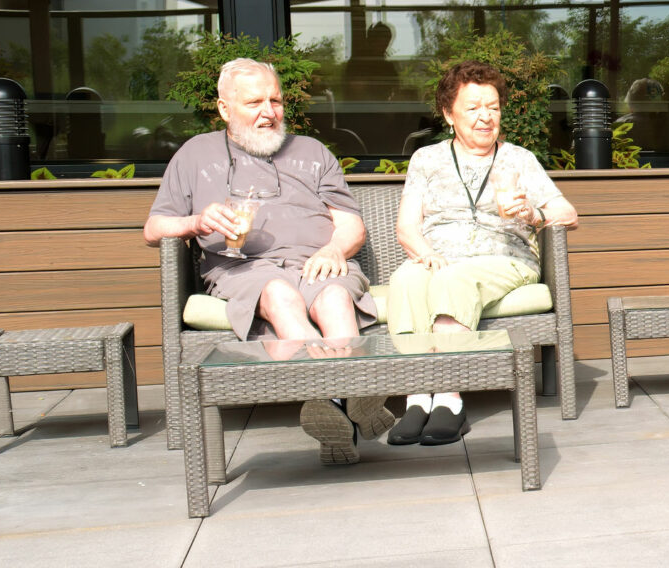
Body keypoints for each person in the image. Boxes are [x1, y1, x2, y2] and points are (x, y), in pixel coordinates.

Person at [143, 57, 391, 458]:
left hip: (318, 261)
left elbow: (352, 226)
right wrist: (196, 222)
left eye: (275, 101)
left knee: (333, 297)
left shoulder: (312, 152)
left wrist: (333, 249)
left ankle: (333, 414)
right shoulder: (194, 155)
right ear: (224, 109)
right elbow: (153, 230)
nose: (269, 113)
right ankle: (351, 398)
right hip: (243, 268)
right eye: (254, 102)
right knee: (278, 293)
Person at [379, 61, 579, 446]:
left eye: (493, 107)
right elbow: (406, 227)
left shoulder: (518, 159)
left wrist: (532, 213)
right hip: (438, 255)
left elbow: (568, 215)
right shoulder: (427, 160)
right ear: (447, 114)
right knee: (406, 278)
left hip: (504, 257)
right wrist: (425, 254)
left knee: (455, 278)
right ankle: (418, 397)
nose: (486, 116)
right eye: (473, 108)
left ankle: (451, 401)